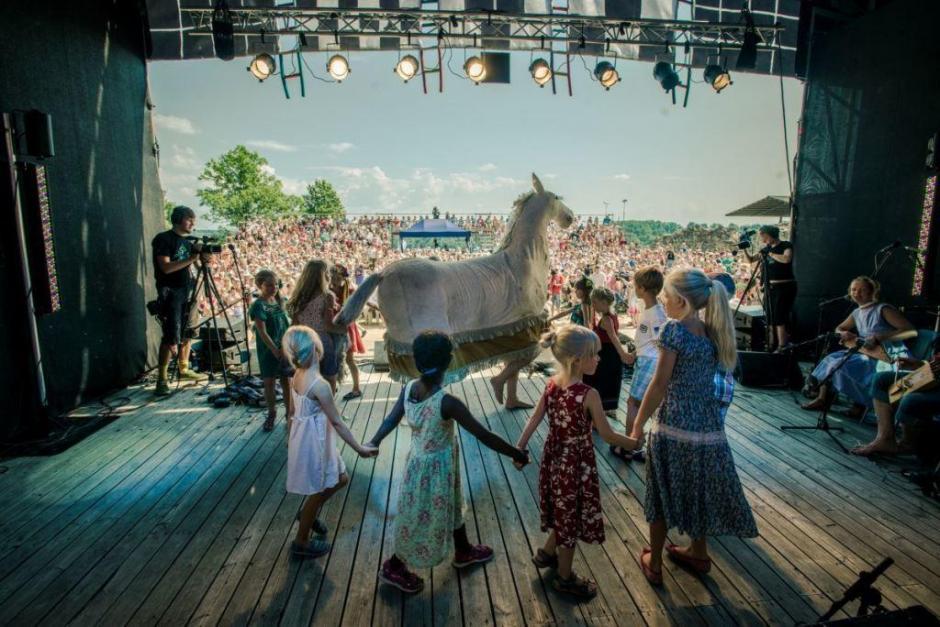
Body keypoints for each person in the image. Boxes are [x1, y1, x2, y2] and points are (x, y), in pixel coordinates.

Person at [366, 331, 529, 594]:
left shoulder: (408, 389)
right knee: (420, 517)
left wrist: (373, 442)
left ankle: (463, 550)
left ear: (416, 362)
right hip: (435, 470)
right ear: (449, 362)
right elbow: (483, 434)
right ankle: (394, 566)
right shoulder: (447, 402)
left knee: (451, 504)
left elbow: (390, 420)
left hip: (419, 465)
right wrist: (516, 453)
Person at [629, 268, 758, 586]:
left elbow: (659, 385)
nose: (664, 301)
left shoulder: (674, 331)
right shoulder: (714, 331)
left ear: (681, 302)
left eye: (668, 297)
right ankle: (698, 552)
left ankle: (655, 561)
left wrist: (637, 426)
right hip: (709, 428)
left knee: (659, 492)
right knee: (698, 488)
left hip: (674, 425)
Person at [516, 325, 638, 599]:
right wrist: (632, 443)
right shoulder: (588, 394)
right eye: (594, 354)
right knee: (570, 517)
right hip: (576, 465)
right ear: (576, 360)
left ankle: (547, 552)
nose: (599, 359)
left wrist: (520, 447)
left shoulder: (552, 385)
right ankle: (564, 577)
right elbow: (606, 434)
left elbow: (535, 419)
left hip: (555, 459)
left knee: (563, 507)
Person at [282, 325, 377, 558]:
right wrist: (360, 449)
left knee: (340, 479)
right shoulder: (320, 385)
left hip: (305, 437)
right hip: (315, 442)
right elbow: (337, 422)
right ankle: (301, 541)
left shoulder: (297, 375)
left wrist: (290, 437)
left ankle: (307, 514)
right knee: (321, 486)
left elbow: (292, 411)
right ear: (316, 349)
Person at [802, 276, 914, 417]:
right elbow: (839, 328)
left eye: (862, 290)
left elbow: (909, 330)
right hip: (867, 352)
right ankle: (822, 399)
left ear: (871, 292)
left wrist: (879, 337)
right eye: (854, 289)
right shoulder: (857, 312)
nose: (856, 293)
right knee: (832, 360)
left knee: (842, 365)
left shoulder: (882, 309)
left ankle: (859, 406)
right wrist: (844, 333)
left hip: (886, 356)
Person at [151, 206, 209, 397]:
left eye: (194, 219)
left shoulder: (188, 242)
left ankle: (184, 368)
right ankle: (162, 378)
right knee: (170, 335)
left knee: (189, 331)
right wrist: (192, 258)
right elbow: (166, 267)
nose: (193, 223)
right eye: (189, 219)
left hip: (189, 291)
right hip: (171, 292)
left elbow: (199, 265)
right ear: (178, 219)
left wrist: (203, 258)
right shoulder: (164, 239)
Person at [851, 336, 940, 457]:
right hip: (933, 379)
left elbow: (909, 331)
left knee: (910, 400)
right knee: (881, 380)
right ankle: (885, 439)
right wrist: (918, 364)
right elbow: (935, 365)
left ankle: (908, 444)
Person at [612, 267, 665, 462]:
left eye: (635, 286)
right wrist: (634, 353)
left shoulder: (657, 314)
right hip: (645, 359)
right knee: (643, 404)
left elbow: (660, 343)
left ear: (642, 288)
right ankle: (641, 441)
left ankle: (629, 445)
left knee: (633, 402)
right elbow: (649, 340)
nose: (633, 288)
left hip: (649, 363)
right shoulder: (650, 310)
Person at [287, 260, 346, 394]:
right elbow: (328, 326)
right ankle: (327, 411)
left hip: (304, 342)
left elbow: (294, 326)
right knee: (329, 378)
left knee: (307, 380)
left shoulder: (298, 297)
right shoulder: (327, 297)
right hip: (322, 342)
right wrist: (344, 329)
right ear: (323, 275)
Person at [250, 269, 293, 432]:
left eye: (275, 284)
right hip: (269, 349)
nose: (273, 288)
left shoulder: (278, 301)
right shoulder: (258, 305)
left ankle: (290, 413)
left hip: (284, 347)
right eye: (268, 285)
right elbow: (262, 331)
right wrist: (275, 350)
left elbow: (285, 325)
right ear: (260, 285)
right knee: (269, 382)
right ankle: (271, 414)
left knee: (286, 381)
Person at [744, 225, 795, 350]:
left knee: (779, 317)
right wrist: (744, 249)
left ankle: (783, 345)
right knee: (770, 317)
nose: (763, 241)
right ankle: (771, 344)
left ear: (771, 234)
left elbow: (786, 259)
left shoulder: (785, 245)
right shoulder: (765, 249)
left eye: (764, 237)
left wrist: (770, 254)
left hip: (784, 287)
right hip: (769, 287)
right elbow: (750, 260)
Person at [584, 287, 633, 418]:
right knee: (609, 381)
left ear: (604, 303)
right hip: (609, 353)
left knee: (600, 381)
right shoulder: (612, 315)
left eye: (595, 302)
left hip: (607, 353)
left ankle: (598, 413)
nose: (593, 304)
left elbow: (614, 338)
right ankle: (607, 410)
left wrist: (624, 355)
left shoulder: (606, 320)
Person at [331, 265, 364, 401]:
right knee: (333, 358)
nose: (335, 280)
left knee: (349, 359)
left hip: (346, 328)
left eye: (338, 277)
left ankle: (356, 388)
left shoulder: (350, 291)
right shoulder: (328, 291)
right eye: (334, 277)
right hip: (332, 327)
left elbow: (357, 312)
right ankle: (335, 384)